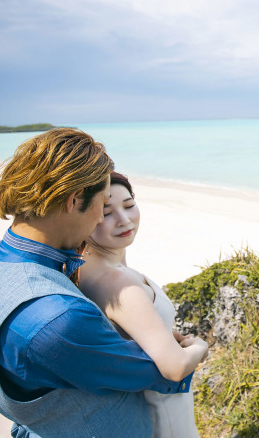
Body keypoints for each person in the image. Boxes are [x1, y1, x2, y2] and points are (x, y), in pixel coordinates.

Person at [0, 128, 194, 438]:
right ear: (74, 200)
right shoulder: (55, 316)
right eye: (103, 205)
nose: (100, 220)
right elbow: (156, 371)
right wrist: (195, 347)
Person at [78, 172, 206, 438]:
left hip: (140, 407)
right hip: (164, 411)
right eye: (106, 213)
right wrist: (200, 347)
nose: (124, 220)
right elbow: (175, 368)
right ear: (85, 216)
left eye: (128, 205)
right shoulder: (115, 281)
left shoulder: (86, 269)